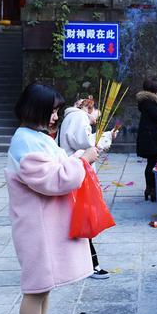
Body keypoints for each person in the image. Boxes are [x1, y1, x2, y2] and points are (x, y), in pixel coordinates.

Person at [7, 83, 98, 314]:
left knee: (42, 288)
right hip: (36, 229)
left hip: (43, 226)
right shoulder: (25, 141)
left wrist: (81, 161)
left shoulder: (34, 138)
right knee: (34, 290)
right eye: (53, 111)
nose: (56, 117)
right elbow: (52, 180)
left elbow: (58, 170)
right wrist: (82, 160)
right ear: (37, 110)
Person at [57, 95, 117, 279]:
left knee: (78, 220)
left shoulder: (72, 116)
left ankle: (88, 264)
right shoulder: (79, 117)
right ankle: (92, 265)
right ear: (90, 109)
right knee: (82, 221)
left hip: (74, 171)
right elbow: (86, 143)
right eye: (97, 114)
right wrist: (106, 137)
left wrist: (106, 135)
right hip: (76, 173)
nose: (97, 119)